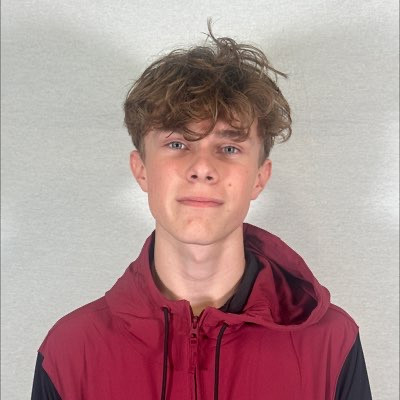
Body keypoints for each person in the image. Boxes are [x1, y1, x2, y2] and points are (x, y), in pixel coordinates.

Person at [31, 23, 372, 400]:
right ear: (141, 169)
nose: (203, 167)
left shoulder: (331, 344)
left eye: (229, 148)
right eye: (178, 143)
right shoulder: (69, 353)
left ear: (259, 178)